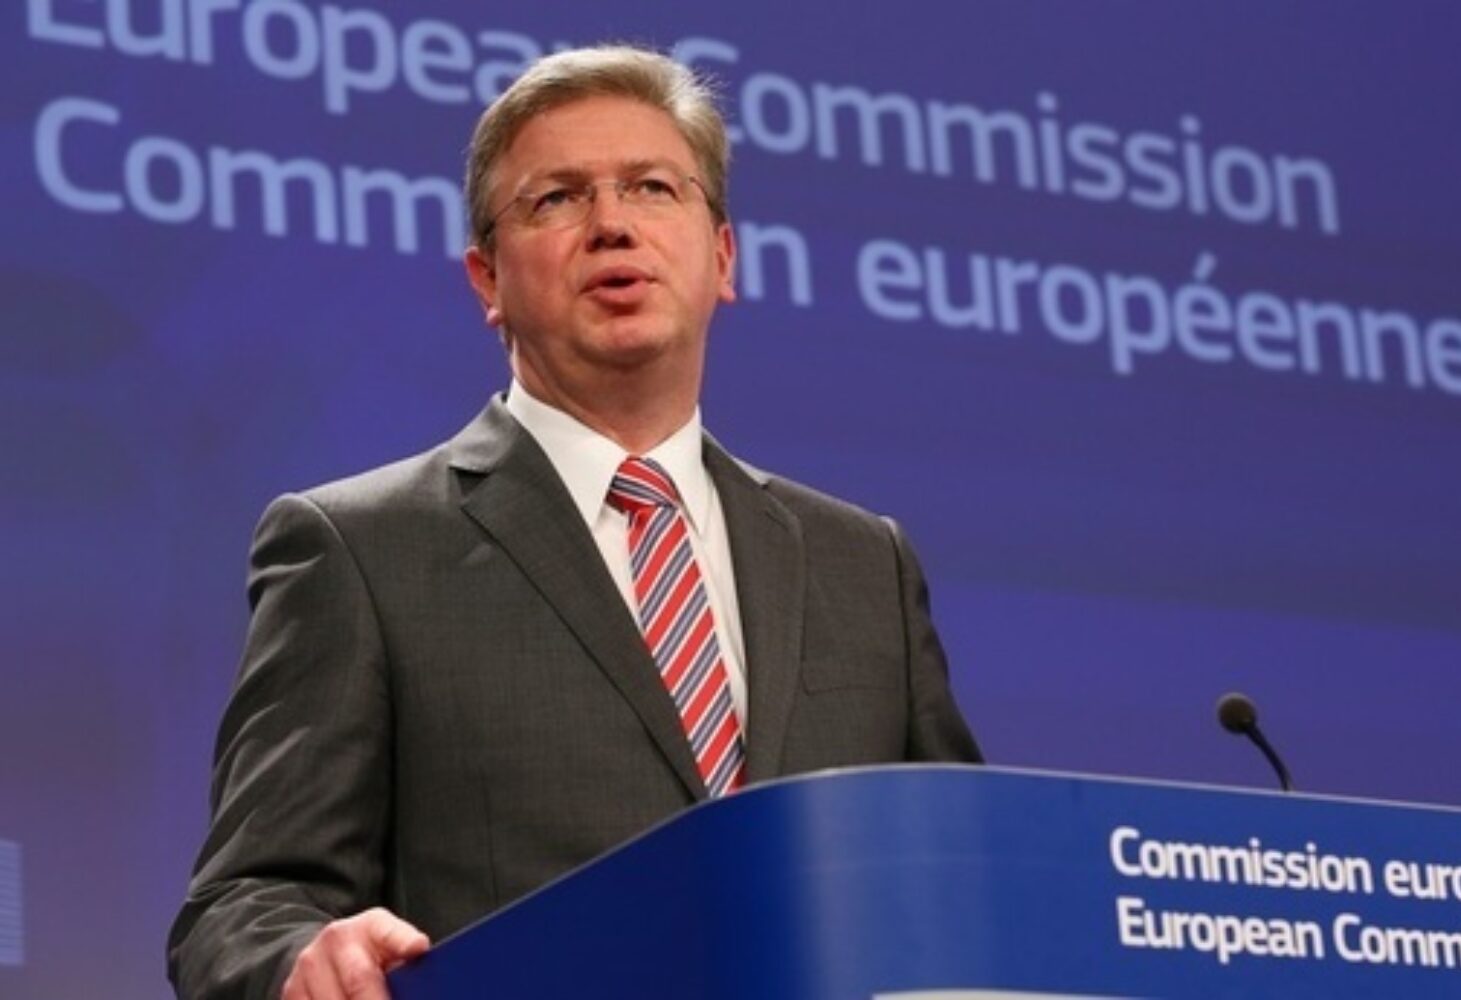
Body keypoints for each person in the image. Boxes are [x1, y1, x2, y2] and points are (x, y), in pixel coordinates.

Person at [168, 44, 981, 1000]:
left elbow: (968, 878)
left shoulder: (861, 562)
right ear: (487, 280)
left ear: (723, 257)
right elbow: (244, 905)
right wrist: (299, 959)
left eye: (652, 188)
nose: (611, 225)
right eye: (556, 199)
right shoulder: (359, 551)